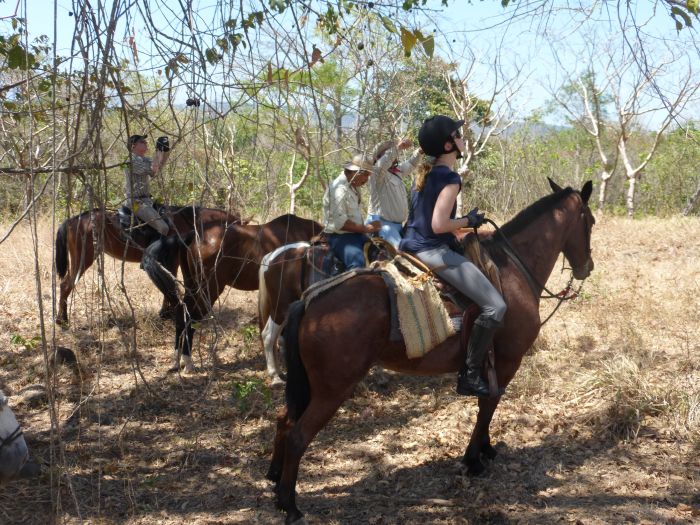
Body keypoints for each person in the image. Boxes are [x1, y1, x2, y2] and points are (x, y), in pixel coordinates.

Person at [399, 115, 507, 397]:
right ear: (449, 145)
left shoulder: (424, 174)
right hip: (432, 252)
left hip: (408, 246)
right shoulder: (450, 177)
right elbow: (438, 225)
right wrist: (468, 221)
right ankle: (470, 375)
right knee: (496, 307)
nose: (462, 139)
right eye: (458, 136)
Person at [322, 154, 381, 270]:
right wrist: (366, 228)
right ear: (357, 173)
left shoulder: (353, 185)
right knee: (357, 263)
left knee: (380, 254)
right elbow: (341, 224)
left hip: (356, 235)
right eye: (366, 176)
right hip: (339, 237)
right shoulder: (339, 190)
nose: (366, 180)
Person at [366, 137, 423, 248]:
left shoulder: (397, 172)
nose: (392, 155)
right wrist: (398, 147)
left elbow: (411, 164)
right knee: (400, 253)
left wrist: (420, 152)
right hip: (383, 225)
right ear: (379, 157)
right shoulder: (376, 174)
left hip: (397, 226)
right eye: (387, 152)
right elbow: (382, 165)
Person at [124, 134, 171, 237]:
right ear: (133, 146)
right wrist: (158, 150)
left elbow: (158, 165)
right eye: (142, 142)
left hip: (147, 200)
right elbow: (153, 168)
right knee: (163, 228)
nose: (146, 143)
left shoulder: (144, 159)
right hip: (134, 203)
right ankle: (156, 252)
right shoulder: (130, 160)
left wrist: (165, 151)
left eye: (145, 142)